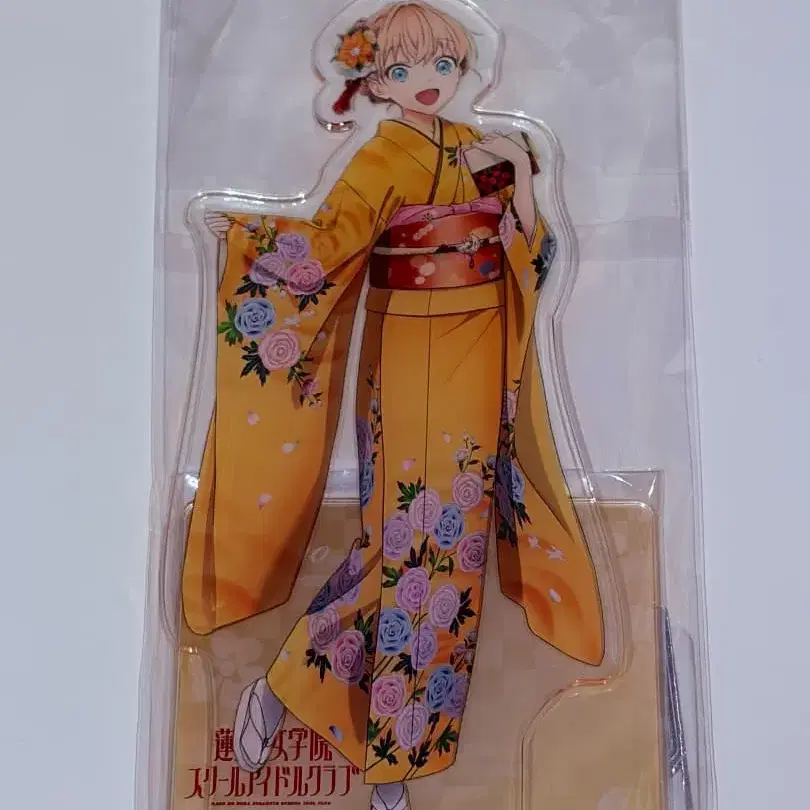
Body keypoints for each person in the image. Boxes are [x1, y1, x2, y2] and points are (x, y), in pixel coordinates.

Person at [183, 3, 604, 808]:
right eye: (402, 70)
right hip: (409, 348)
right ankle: (344, 730)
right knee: (404, 537)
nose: (427, 82)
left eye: (442, 65)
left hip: (480, 342)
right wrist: (239, 237)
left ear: (463, 67)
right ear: (375, 82)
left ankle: (383, 747)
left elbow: (536, 254)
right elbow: (319, 252)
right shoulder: (380, 158)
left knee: (455, 549)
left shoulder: (479, 149)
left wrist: (519, 179)